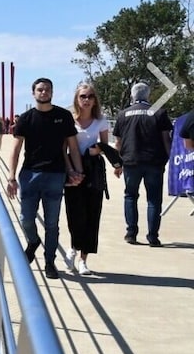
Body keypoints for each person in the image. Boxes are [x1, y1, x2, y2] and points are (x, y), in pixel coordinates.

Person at [6, 77, 84, 280]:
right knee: (26, 219)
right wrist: (11, 177)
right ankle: (33, 241)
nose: (44, 92)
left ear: (52, 92)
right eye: (40, 89)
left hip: (55, 175)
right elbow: (16, 149)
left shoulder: (63, 116)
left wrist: (78, 171)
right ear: (33, 93)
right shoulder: (25, 119)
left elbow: (73, 147)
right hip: (29, 174)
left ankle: (50, 261)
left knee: (52, 223)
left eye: (47, 89)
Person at [65, 83, 121, 275]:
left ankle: (83, 259)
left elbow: (105, 146)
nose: (87, 100)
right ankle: (73, 246)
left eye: (90, 96)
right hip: (74, 170)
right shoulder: (69, 121)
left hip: (94, 169)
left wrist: (99, 151)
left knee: (92, 214)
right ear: (77, 99)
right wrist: (70, 170)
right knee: (75, 212)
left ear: (95, 100)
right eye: (83, 96)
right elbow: (64, 148)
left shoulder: (101, 120)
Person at [113, 82, 172, 247]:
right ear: (148, 95)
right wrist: (170, 160)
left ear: (132, 95)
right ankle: (153, 237)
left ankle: (131, 233)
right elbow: (166, 140)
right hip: (154, 162)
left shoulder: (123, 114)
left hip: (131, 161)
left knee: (130, 196)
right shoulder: (159, 113)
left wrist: (117, 164)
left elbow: (118, 143)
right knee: (154, 199)